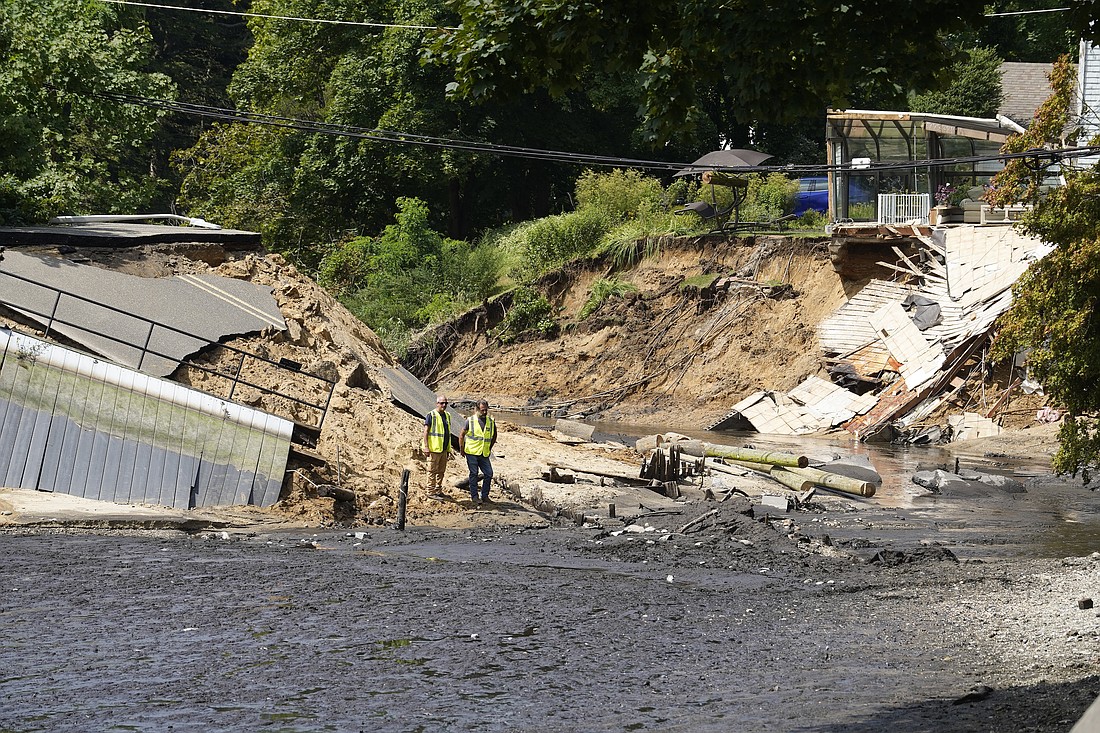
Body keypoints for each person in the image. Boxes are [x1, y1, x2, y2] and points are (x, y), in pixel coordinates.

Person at [459, 399, 496, 505]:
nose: (484, 412)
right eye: (482, 410)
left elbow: (494, 436)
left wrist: (489, 448)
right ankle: (474, 496)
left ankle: (485, 496)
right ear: (477, 409)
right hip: (472, 452)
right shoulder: (470, 421)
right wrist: (462, 449)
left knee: (489, 474)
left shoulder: (490, 422)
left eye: (486, 410)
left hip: (484, 453)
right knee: (473, 474)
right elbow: (462, 435)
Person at [421, 394, 452, 500]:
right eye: (442, 403)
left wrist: (448, 449)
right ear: (437, 404)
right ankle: (430, 491)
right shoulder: (431, 415)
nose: (444, 405)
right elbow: (426, 432)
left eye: (446, 403)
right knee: (432, 471)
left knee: (441, 471)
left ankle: (438, 490)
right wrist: (426, 447)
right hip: (433, 449)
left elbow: (447, 433)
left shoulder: (447, 415)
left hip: (443, 449)